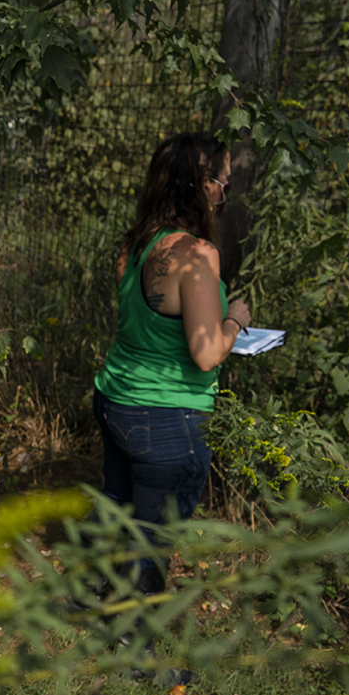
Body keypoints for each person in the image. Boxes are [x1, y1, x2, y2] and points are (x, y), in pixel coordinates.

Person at [91, 132, 251, 622]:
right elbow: (206, 354)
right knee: (154, 537)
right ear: (201, 187)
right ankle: (138, 644)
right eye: (223, 183)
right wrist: (236, 320)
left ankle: (93, 595)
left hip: (116, 398)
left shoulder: (137, 244)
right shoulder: (197, 255)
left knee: (116, 512)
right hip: (168, 418)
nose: (225, 193)